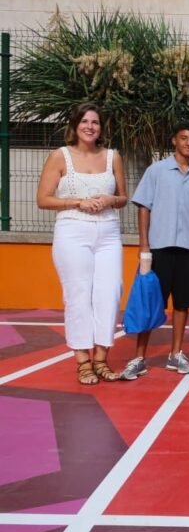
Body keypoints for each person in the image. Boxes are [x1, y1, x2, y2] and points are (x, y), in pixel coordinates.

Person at [36, 103, 128, 384]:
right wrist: (78, 202)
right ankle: (83, 361)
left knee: (110, 293)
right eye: (85, 122)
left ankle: (101, 359)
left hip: (108, 232)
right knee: (78, 294)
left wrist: (111, 199)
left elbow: (123, 198)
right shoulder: (60, 156)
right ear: (75, 125)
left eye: (95, 122)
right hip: (72, 231)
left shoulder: (113, 156)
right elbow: (43, 199)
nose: (90, 127)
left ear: (101, 127)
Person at [120, 121, 189, 380]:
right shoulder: (157, 171)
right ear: (174, 140)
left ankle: (175, 354)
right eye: (183, 137)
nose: (188, 142)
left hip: (187, 250)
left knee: (182, 303)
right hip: (158, 248)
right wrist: (144, 246)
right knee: (150, 302)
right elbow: (144, 207)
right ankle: (139, 358)